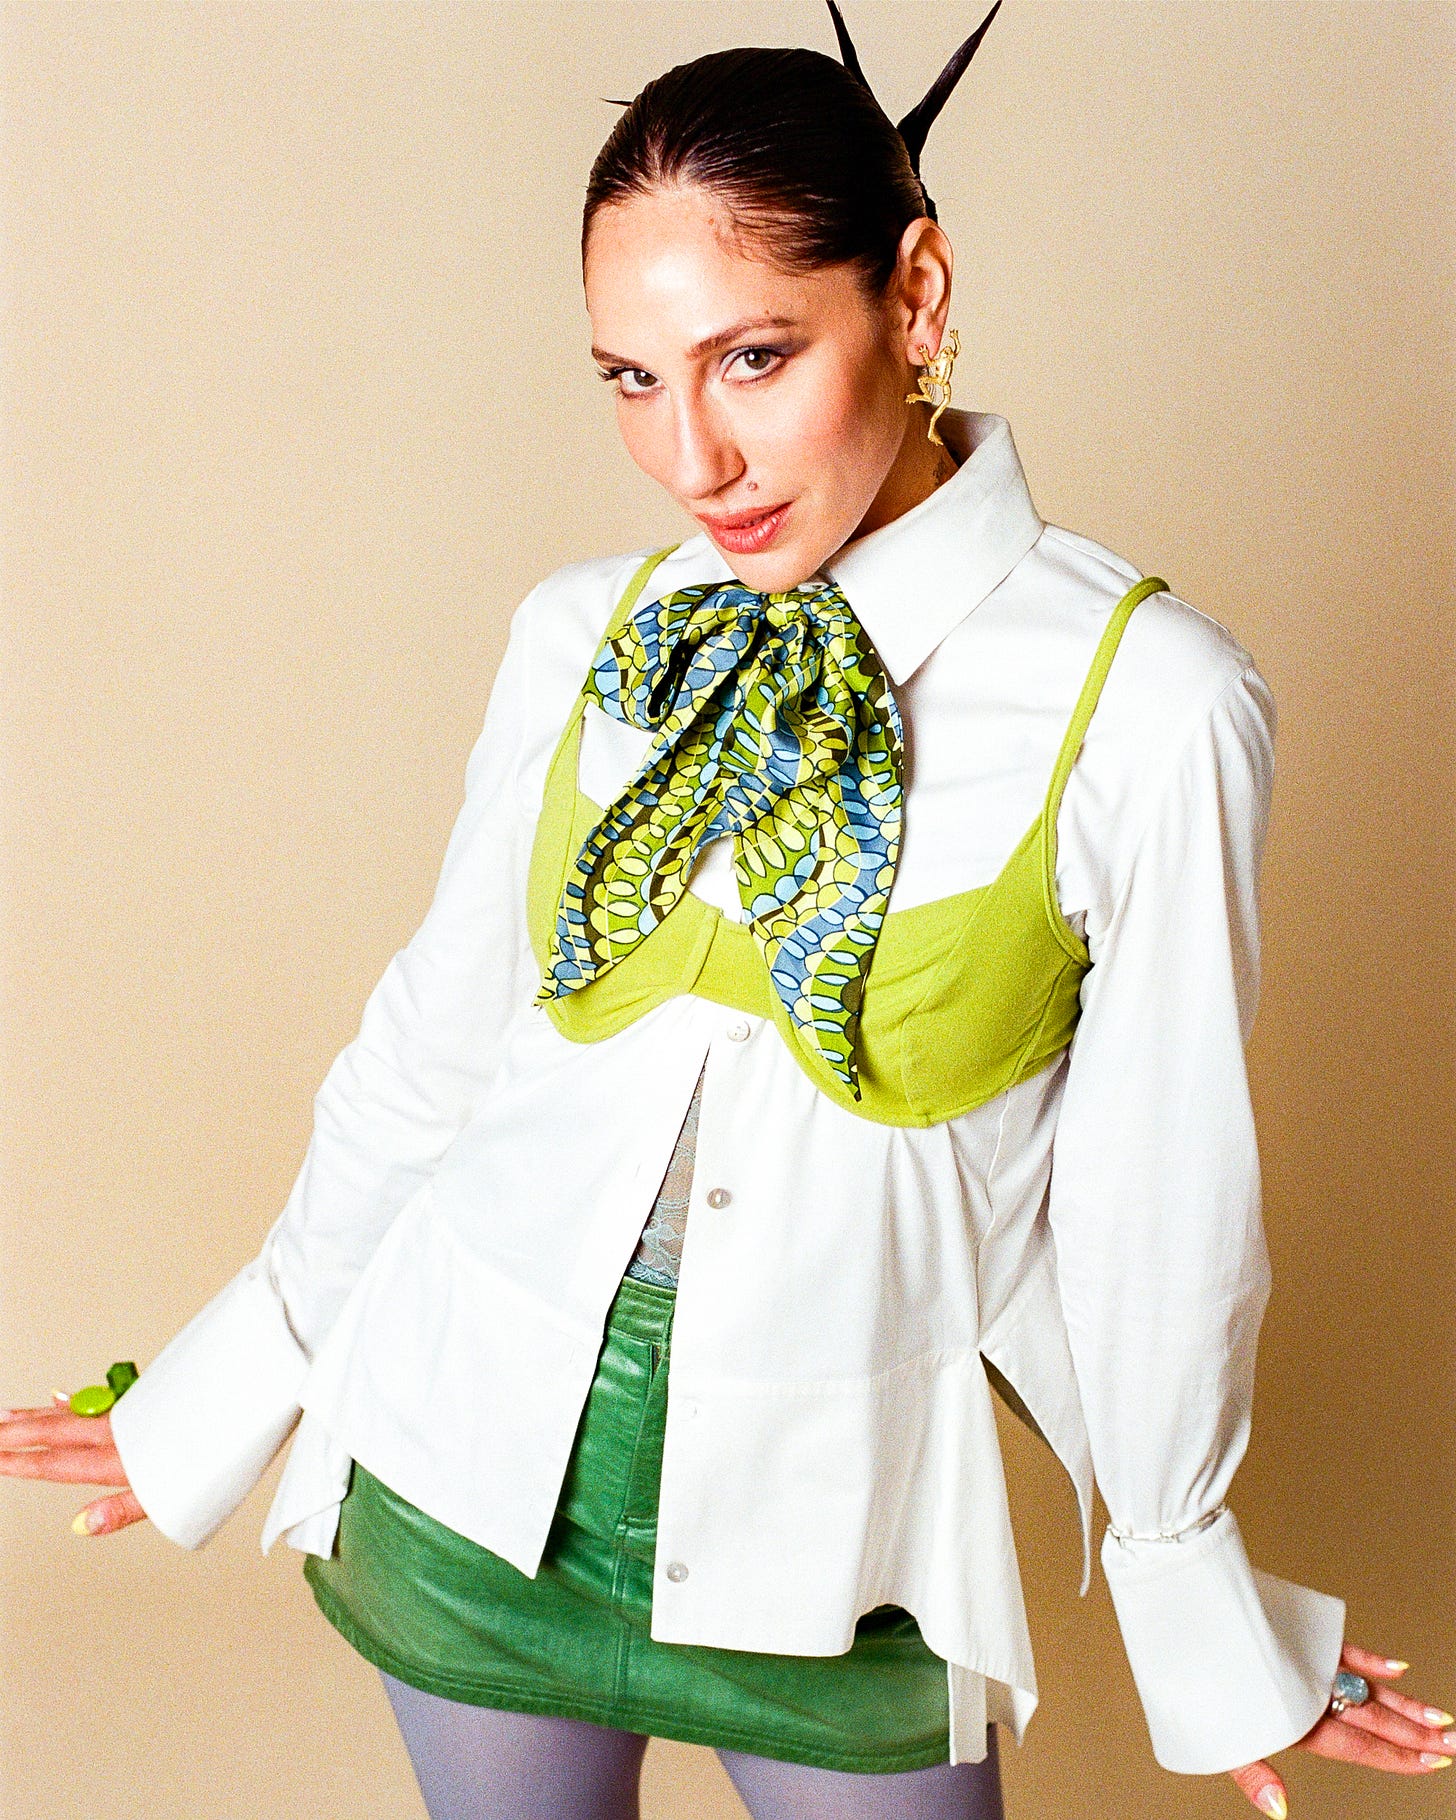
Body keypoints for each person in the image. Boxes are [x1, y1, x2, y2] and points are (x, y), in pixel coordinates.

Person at [2, 6, 1450, 1818]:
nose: (694, 458)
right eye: (632, 378)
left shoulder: (1149, 709)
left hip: (843, 1561)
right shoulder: (581, 638)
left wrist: (1195, 1603)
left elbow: (1157, 1210)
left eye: (754, 358)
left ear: (915, 299)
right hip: (460, 1480)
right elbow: (437, 1049)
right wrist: (219, 1392)